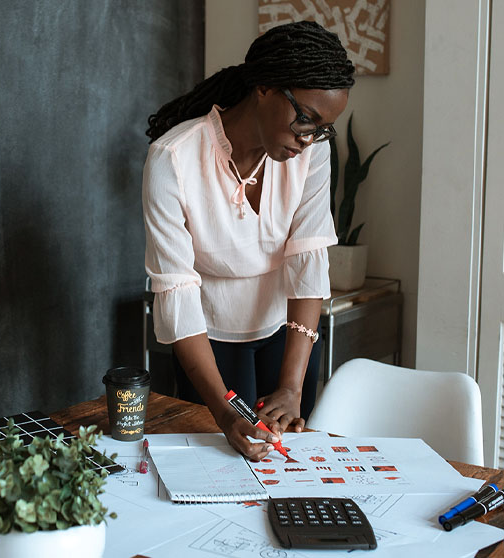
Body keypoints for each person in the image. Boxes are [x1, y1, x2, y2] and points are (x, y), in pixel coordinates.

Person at [141, 21, 354, 461]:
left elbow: (307, 258)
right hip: (208, 343)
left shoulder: (310, 151)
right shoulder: (173, 159)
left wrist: (292, 387)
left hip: (290, 337)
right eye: (306, 119)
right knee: (219, 465)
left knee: (285, 465)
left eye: (323, 128)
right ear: (264, 88)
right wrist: (223, 413)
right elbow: (177, 290)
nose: (309, 137)